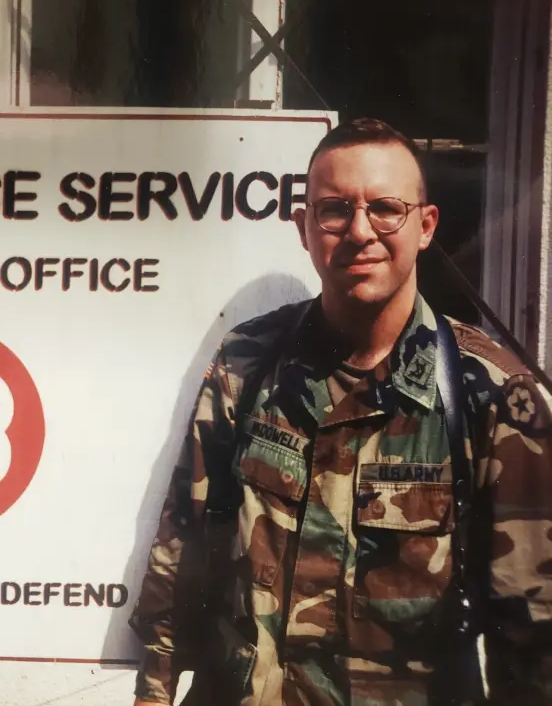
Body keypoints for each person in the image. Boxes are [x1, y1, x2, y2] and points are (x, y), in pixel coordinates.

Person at [128, 118, 552, 705]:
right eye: (334, 210)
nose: (359, 231)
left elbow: (534, 634)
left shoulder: (494, 395)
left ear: (425, 226)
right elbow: (184, 549)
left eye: (385, 208)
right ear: (305, 228)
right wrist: (153, 693)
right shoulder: (247, 365)